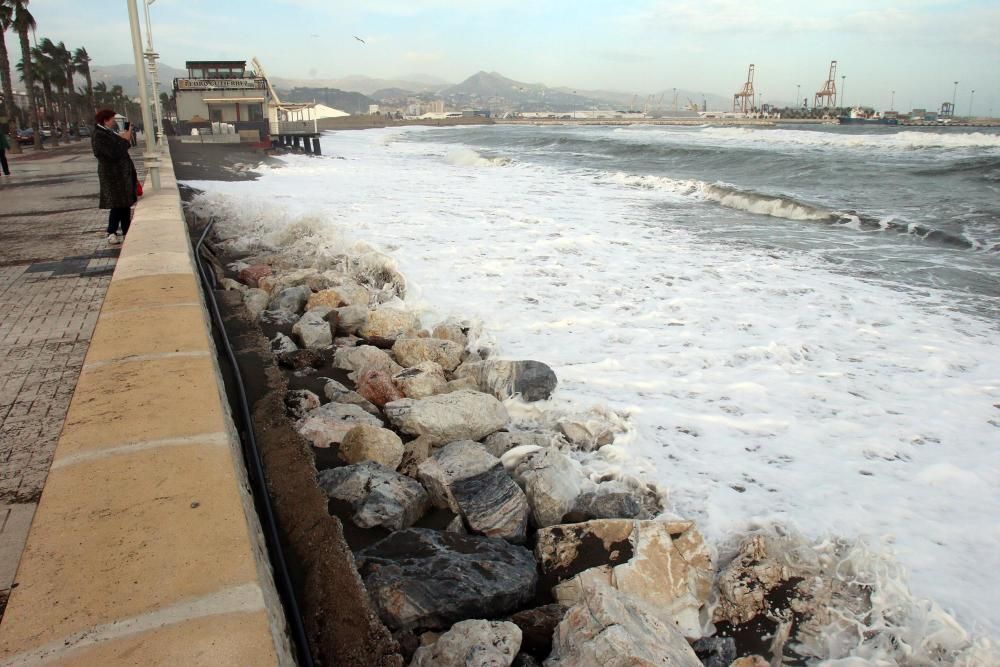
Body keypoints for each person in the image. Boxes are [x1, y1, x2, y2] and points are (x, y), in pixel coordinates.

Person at [92, 109, 137, 245]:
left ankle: (126, 230)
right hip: (112, 175)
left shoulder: (107, 132)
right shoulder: (99, 135)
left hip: (120, 175)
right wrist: (126, 140)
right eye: (112, 119)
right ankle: (111, 232)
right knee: (117, 204)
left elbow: (118, 146)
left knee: (125, 204)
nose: (113, 122)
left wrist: (124, 137)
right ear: (105, 120)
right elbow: (113, 152)